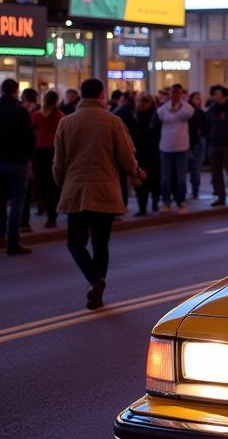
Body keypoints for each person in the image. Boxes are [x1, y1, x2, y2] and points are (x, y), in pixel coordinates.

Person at [53, 78, 143, 308]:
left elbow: (59, 162)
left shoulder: (67, 122)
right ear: (102, 95)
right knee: (101, 244)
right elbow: (125, 156)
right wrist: (135, 172)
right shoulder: (113, 121)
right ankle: (98, 287)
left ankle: (95, 280)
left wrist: (62, 183)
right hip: (105, 190)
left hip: (77, 190)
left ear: (81, 96)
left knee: (75, 243)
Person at [0, 78, 35, 255]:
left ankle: (1, 236)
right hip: (17, 162)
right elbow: (30, 138)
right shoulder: (21, 112)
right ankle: (13, 242)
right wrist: (28, 158)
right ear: (16, 90)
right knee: (17, 202)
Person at [156, 84, 193, 213]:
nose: (175, 95)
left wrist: (177, 109)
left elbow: (188, 114)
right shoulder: (164, 108)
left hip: (181, 147)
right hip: (166, 146)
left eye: (177, 93)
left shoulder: (186, 107)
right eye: (172, 93)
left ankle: (181, 201)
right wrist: (171, 109)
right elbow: (161, 115)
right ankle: (166, 201)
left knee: (180, 177)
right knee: (166, 176)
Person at [205, 85, 228, 207]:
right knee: (216, 172)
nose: (217, 97)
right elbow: (207, 126)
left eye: (219, 95)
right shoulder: (211, 110)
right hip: (214, 143)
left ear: (225, 96)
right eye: (215, 95)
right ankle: (221, 197)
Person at [31, 90, 64, 228]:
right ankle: (53, 214)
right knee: (54, 183)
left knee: (42, 183)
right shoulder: (60, 116)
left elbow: (31, 132)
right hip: (54, 151)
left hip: (39, 152)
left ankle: (43, 207)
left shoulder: (36, 116)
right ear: (56, 101)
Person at [132, 93, 161, 216]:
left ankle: (155, 202)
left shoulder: (156, 116)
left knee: (154, 180)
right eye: (140, 101)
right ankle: (142, 207)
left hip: (153, 153)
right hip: (138, 153)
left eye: (145, 101)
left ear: (151, 103)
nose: (142, 103)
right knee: (139, 181)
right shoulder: (134, 116)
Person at [186, 91, 205, 199]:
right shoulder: (188, 112)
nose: (198, 100)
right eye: (196, 98)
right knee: (184, 169)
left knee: (195, 170)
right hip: (187, 142)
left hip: (199, 142)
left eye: (199, 98)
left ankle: (195, 191)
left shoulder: (202, 113)